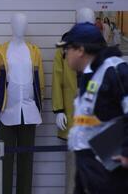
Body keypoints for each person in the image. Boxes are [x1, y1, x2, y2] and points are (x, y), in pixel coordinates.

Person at [56, 22, 128, 194]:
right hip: (89, 167)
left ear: (80, 50)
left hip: (110, 171)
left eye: (68, 49)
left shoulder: (115, 70)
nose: (65, 54)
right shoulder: (90, 75)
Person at [0, 13, 44, 194]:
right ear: (11, 25)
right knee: (4, 161)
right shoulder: (0, 51)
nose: (22, 26)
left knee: (26, 163)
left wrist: (40, 108)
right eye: (18, 23)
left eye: (24, 23)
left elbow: (40, 83)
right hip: (6, 112)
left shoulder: (34, 51)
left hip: (29, 112)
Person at [51, 8, 95, 194]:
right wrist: (58, 109)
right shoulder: (63, 49)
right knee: (72, 168)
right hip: (71, 111)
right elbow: (57, 80)